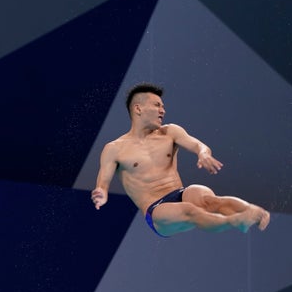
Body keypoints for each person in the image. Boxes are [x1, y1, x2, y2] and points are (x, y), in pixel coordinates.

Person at [91, 83, 269, 237]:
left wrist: (203, 153)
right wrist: (101, 193)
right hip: (157, 211)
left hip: (180, 193)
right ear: (138, 108)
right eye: (157, 105)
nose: (163, 110)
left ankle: (254, 212)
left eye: (163, 106)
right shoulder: (114, 148)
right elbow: (103, 183)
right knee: (190, 211)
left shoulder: (170, 132)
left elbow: (198, 145)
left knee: (208, 198)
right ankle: (236, 221)